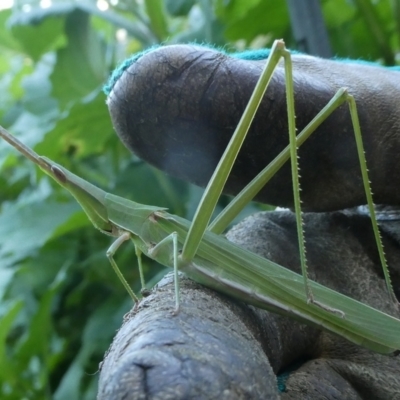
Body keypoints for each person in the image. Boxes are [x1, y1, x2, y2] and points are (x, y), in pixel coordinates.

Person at [98, 44, 400, 399]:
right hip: (225, 265)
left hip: (251, 268)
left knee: (323, 93)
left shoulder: (149, 230)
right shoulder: (136, 235)